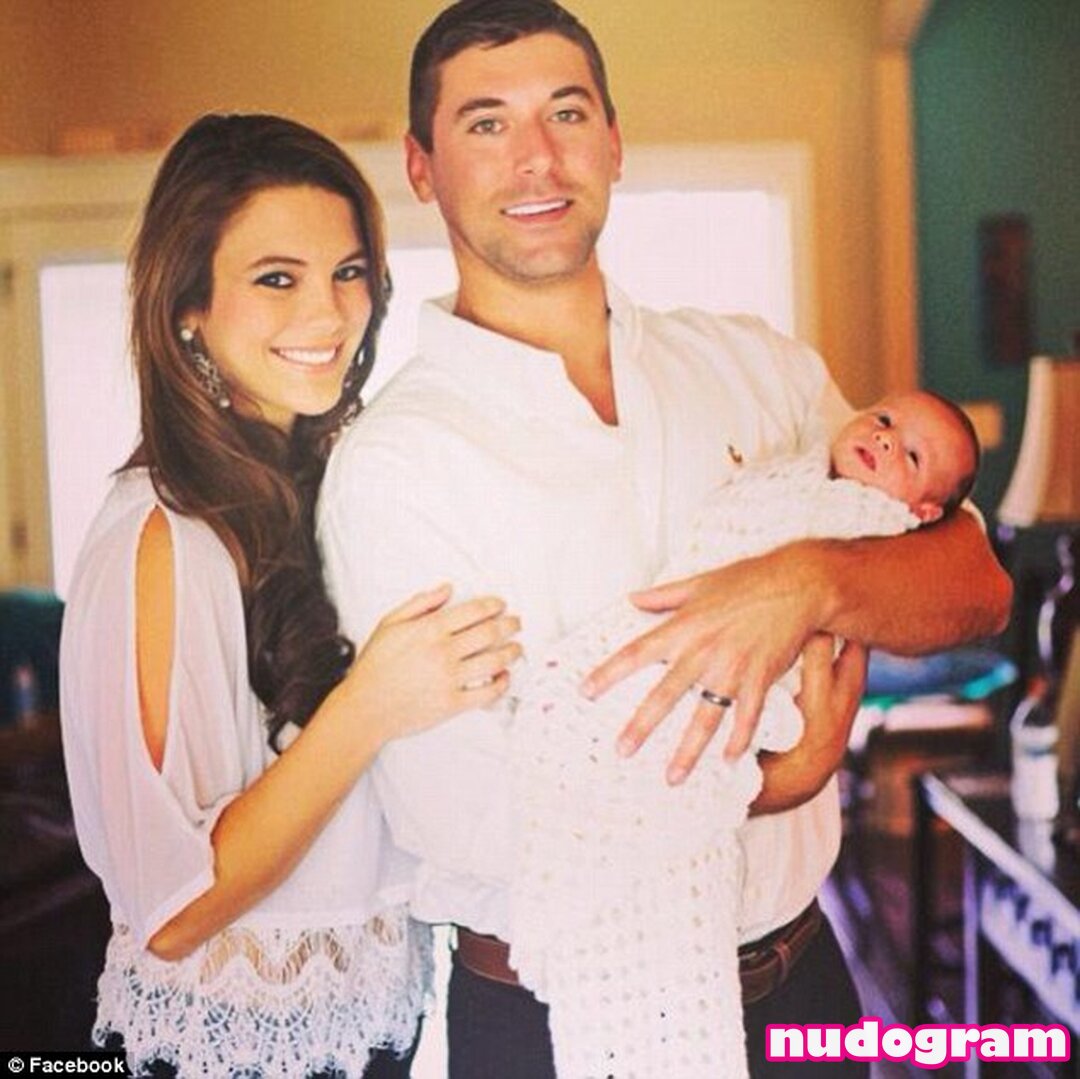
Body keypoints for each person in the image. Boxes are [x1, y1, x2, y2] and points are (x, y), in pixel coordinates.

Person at [317, 3, 1012, 1075]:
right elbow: (458, 812)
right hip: (560, 1019)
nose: (536, 155)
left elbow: (973, 580)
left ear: (613, 141)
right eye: (486, 123)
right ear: (421, 166)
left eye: (566, 113)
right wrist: (773, 779)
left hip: (803, 982)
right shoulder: (396, 464)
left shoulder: (755, 365)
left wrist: (804, 581)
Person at [59, 113, 521, 1079]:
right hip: (231, 1051)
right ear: (188, 307)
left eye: (348, 272)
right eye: (277, 278)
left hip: (374, 1031)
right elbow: (175, 910)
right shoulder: (161, 535)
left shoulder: (329, 489)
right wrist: (372, 703)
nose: (329, 314)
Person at [504, 390, 981, 1077]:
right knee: (575, 705)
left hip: (756, 692)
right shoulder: (797, 467)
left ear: (924, 511)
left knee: (632, 747)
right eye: (883, 419)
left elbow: (975, 583)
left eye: (909, 455)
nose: (883, 439)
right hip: (667, 633)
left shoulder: (875, 525)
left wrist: (810, 585)